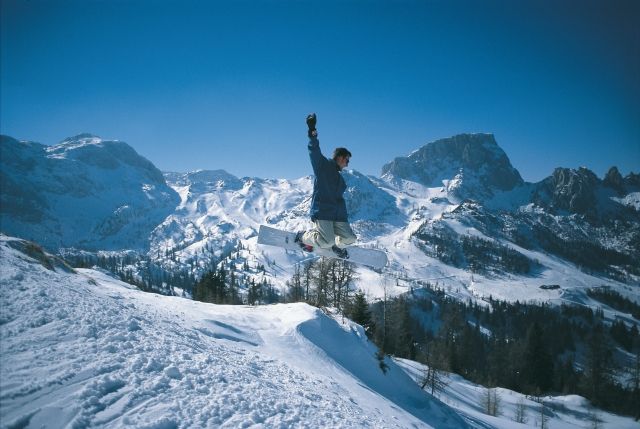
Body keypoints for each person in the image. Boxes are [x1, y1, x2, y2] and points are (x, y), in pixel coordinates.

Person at [295, 113, 357, 258]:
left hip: (338, 216)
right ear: (340, 157)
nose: (347, 164)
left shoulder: (340, 180)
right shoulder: (323, 166)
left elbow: (338, 200)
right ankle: (303, 237)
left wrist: (343, 217)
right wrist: (312, 131)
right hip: (323, 211)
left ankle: (335, 245)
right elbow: (314, 151)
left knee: (350, 238)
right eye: (347, 160)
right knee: (326, 240)